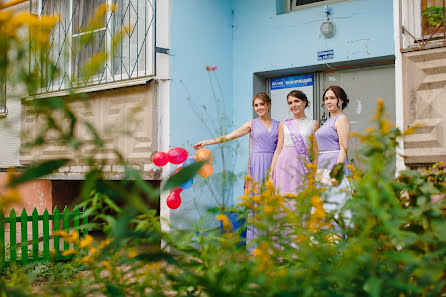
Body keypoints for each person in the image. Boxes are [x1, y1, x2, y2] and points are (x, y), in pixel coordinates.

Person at [194, 93, 280, 251]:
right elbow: (229, 136)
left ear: (268, 104)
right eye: (256, 105)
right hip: (257, 165)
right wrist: (208, 141)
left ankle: (272, 247)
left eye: (262, 104)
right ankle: (255, 247)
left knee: (273, 204)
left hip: (274, 165)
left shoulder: (279, 125)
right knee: (256, 204)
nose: (259, 108)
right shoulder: (252, 124)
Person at [269, 90, 319, 196]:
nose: (293, 105)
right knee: (283, 198)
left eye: (296, 101)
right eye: (290, 103)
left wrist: (314, 173)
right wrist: (271, 172)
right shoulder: (284, 124)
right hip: (283, 166)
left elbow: (316, 152)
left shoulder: (313, 124)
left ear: (304, 102)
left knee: (301, 198)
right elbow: (278, 149)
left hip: (302, 166)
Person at [315, 85, 351, 213]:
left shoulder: (341, 119)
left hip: (333, 165)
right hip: (322, 166)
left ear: (340, 100)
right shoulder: (329, 120)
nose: (328, 101)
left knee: (335, 206)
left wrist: (337, 172)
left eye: (332, 98)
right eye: (326, 98)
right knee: (323, 208)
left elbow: (344, 148)